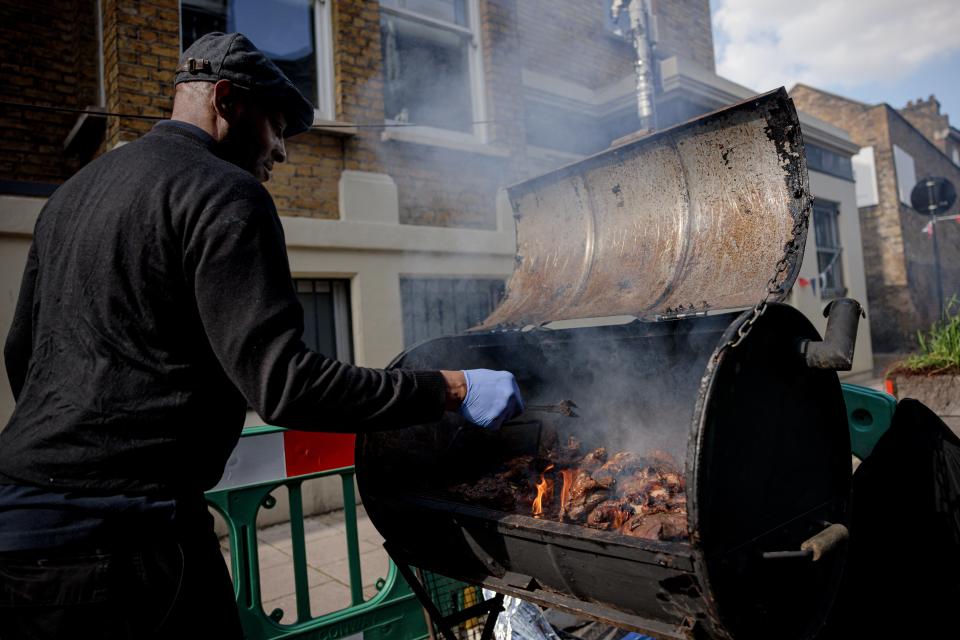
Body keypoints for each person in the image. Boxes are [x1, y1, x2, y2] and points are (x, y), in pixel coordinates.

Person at [0, 32, 523, 639]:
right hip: (123, 548)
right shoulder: (224, 191)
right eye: (276, 128)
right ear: (226, 100)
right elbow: (286, 386)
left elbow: (23, 355)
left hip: (18, 526)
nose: (280, 151)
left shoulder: (71, 196)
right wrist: (453, 387)